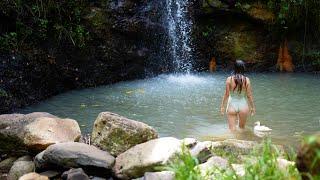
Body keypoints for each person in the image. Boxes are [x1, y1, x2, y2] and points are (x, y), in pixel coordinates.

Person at [220, 60, 255, 131]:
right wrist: (253, 107)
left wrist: (222, 106)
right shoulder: (247, 80)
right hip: (243, 106)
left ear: (234, 68)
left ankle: (233, 141)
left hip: (232, 105)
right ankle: (241, 141)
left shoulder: (229, 79)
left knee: (232, 130)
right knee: (242, 129)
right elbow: (249, 95)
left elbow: (226, 94)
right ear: (243, 68)